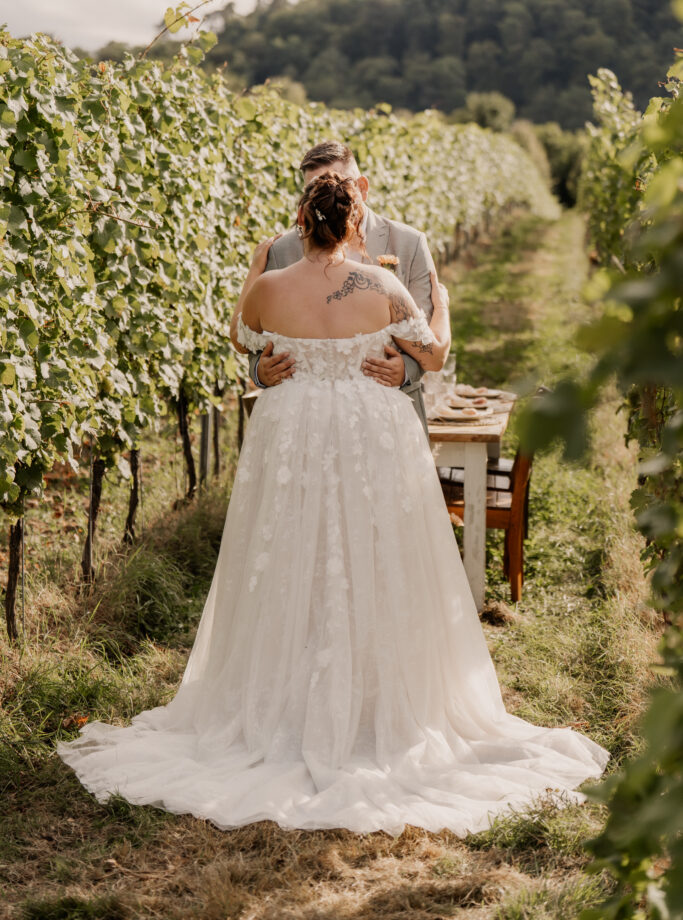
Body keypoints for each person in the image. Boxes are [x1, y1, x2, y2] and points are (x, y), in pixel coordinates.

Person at [57, 173, 610, 837]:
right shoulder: (379, 285)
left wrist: (258, 274)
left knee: (287, 552)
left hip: (292, 430)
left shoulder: (268, 287)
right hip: (367, 431)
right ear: (356, 222)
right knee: (375, 553)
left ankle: (283, 698)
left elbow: (243, 337)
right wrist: (445, 307)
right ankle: (376, 700)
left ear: (300, 220)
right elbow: (431, 357)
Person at [249, 140, 436, 435]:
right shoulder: (282, 250)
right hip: (303, 425)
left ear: (362, 187)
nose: (325, 197)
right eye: (314, 191)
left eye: (335, 187)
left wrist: (407, 371)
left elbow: (426, 330)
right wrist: (259, 370)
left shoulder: (409, 243)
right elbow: (257, 335)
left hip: (390, 419)